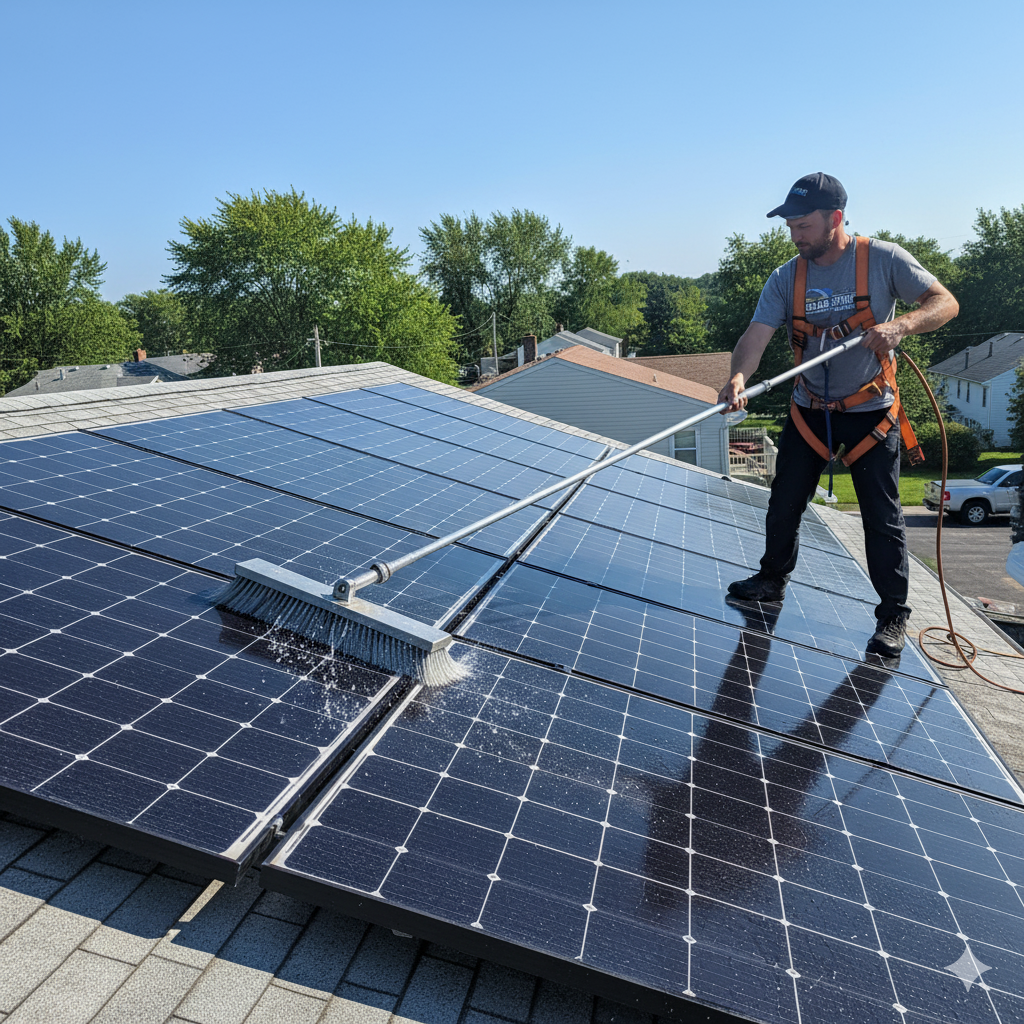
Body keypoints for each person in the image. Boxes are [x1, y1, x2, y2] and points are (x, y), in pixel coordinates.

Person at [719, 172, 959, 658]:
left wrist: (900, 326)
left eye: (803, 225)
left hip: (871, 411)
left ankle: (893, 615)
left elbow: (945, 303)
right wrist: (738, 376)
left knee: (882, 518)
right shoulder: (787, 278)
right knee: (784, 501)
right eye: (790, 226)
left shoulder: (883, 259)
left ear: (835, 219)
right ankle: (771, 579)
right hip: (810, 408)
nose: (795, 236)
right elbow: (756, 335)